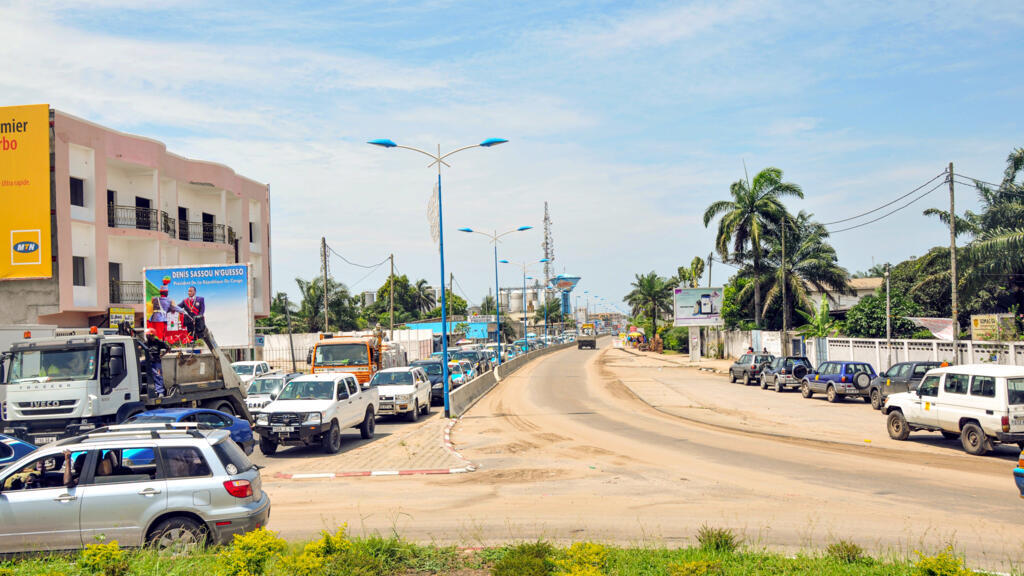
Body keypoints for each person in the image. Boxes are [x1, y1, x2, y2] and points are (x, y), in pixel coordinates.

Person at [141, 328, 172, 397]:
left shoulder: (159, 342)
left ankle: (160, 392)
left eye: (152, 336)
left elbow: (168, 348)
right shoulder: (145, 343)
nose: (150, 337)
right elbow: (139, 347)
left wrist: (162, 355)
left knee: (158, 376)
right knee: (138, 365)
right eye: (149, 336)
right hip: (148, 361)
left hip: (156, 362)